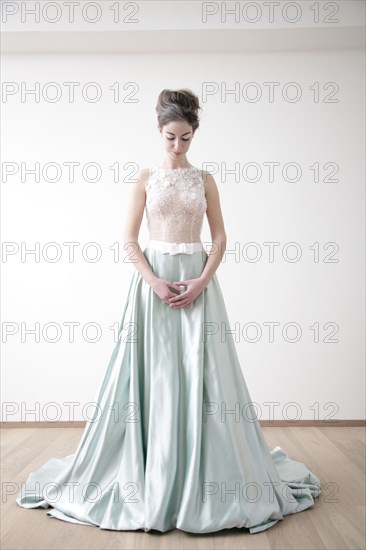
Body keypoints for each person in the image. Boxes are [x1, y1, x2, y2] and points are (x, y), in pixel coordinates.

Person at [16, 88, 321, 534]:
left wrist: (200, 281)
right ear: (158, 132)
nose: (177, 147)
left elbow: (219, 239)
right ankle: (148, 471)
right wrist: (155, 281)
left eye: (185, 138)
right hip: (154, 286)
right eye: (170, 138)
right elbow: (128, 240)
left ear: (194, 135)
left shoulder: (206, 181)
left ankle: (209, 473)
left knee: (208, 376)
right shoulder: (144, 179)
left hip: (198, 285)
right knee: (152, 372)